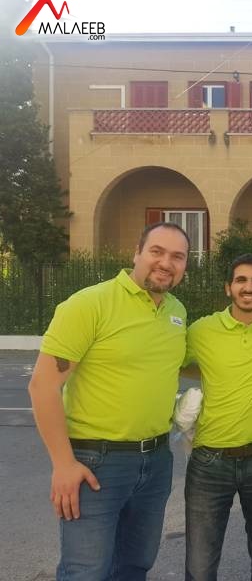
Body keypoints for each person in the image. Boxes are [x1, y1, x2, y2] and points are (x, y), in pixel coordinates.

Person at [28, 221, 190, 580]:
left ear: (185, 266)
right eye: (157, 251)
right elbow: (42, 387)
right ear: (136, 253)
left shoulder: (177, 312)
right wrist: (63, 464)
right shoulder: (89, 304)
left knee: (134, 566)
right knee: (86, 571)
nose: (166, 263)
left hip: (157, 461)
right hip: (96, 463)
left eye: (177, 256)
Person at [182, 254, 252, 581]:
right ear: (228, 287)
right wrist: (211, 373)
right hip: (209, 462)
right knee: (199, 569)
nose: (248, 287)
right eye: (241, 280)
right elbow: (173, 362)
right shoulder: (201, 330)